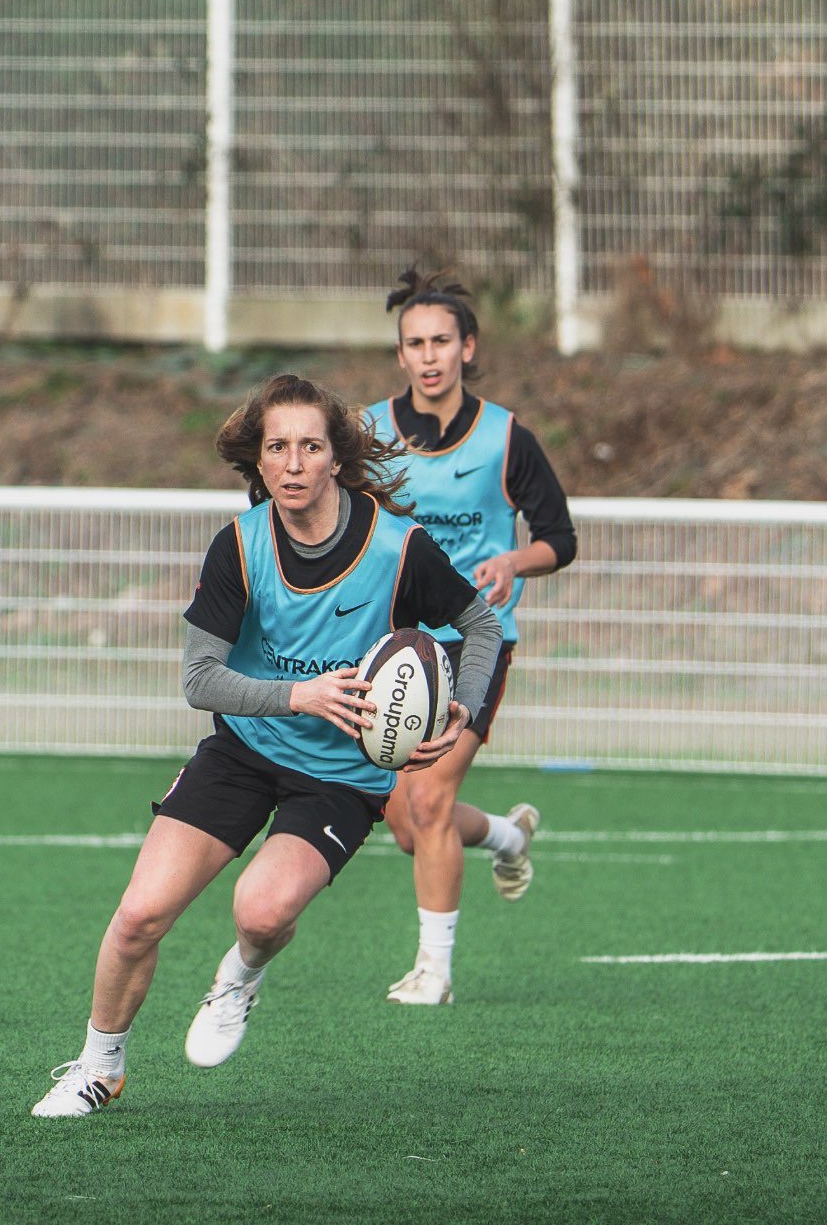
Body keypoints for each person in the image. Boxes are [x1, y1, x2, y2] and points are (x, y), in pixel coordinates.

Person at [30, 373, 505, 1118]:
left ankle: (242, 975)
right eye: (276, 447)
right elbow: (199, 680)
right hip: (243, 752)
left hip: (342, 778)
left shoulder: (396, 548)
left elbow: (480, 625)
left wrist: (460, 711)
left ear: (335, 460)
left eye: (309, 447)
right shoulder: (240, 549)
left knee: (260, 914)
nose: (291, 463)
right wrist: (300, 694)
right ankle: (99, 1067)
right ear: (256, 460)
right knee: (138, 917)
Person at [363, 269, 577, 1005]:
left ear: (468, 347)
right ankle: (509, 837)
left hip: (474, 639)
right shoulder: (367, 434)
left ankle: (435, 972)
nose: (429, 356)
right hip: (394, 648)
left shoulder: (506, 437)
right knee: (403, 823)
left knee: (429, 805)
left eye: (442, 342)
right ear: (400, 355)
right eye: (415, 343)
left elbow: (561, 539)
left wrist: (515, 559)